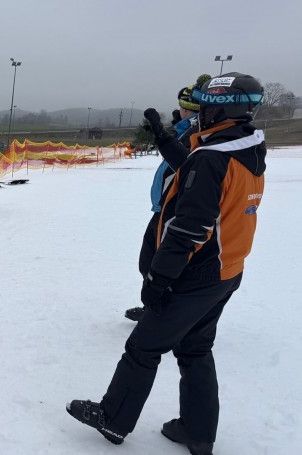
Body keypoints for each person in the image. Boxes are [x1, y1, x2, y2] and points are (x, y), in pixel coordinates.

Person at [66, 72, 266, 455]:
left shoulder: (213, 158)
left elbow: (190, 228)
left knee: (143, 347)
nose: (200, 113)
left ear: (224, 109)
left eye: (206, 106)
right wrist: (162, 136)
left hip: (197, 273)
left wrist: (158, 278)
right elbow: (192, 164)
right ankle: (197, 430)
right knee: (194, 350)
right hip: (227, 270)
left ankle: (114, 418)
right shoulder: (244, 147)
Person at [125, 74, 211, 322]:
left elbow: (185, 164)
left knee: (161, 265)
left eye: (182, 108)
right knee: (149, 261)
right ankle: (156, 307)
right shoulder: (187, 128)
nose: (178, 111)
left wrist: (163, 134)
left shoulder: (200, 131)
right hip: (163, 207)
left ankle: (165, 315)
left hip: (176, 208)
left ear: (192, 110)